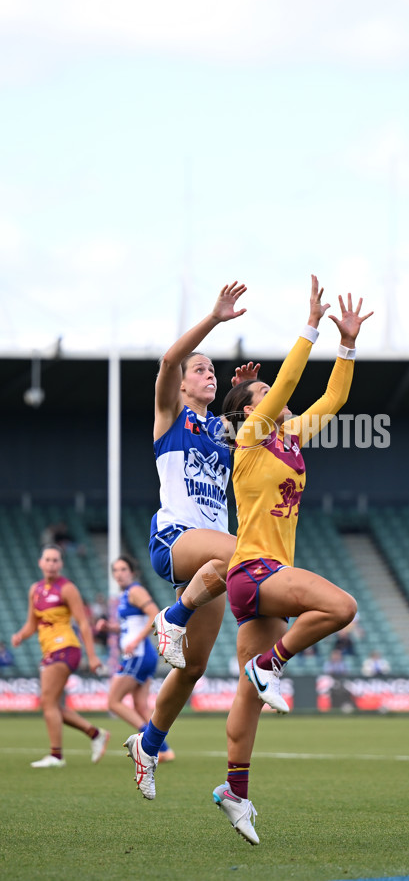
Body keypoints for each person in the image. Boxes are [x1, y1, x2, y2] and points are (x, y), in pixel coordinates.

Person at [211, 276, 372, 845]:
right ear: (249, 411)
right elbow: (285, 385)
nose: (274, 398)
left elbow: (334, 400)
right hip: (256, 571)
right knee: (342, 607)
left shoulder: (288, 437)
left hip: (260, 582)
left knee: (246, 702)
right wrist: (310, 326)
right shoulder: (251, 437)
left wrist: (346, 344)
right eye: (261, 395)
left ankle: (235, 792)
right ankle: (270, 665)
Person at [124, 281, 254, 799]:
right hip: (176, 540)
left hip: (212, 556)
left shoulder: (220, 430)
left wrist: (241, 395)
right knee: (247, 553)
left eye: (212, 370)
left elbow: (250, 425)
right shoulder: (169, 415)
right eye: (200, 369)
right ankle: (172, 617)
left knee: (192, 666)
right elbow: (168, 360)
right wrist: (215, 319)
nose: (208, 374)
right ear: (181, 385)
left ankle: (148, 744)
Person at [10, 544, 109, 768]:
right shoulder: (35, 590)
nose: (51, 564)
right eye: (47, 559)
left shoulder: (67, 588)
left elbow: (83, 623)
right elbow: (31, 623)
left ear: (61, 564)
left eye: (55, 560)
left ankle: (56, 756)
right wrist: (20, 636)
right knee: (51, 704)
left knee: (48, 702)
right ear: (40, 563)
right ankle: (95, 734)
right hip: (49, 650)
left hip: (66, 648)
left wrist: (92, 656)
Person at [96, 556, 174, 763]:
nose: (119, 574)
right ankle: (164, 751)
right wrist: (110, 628)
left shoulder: (135, 591)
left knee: (113, 702)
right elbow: (130, 626)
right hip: (141, 655)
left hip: (138, 655)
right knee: (140, 706)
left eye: (123, 569)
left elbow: (154, 614)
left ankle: (149, 744)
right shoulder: (125, 595)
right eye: (116, 570)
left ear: (132, 572)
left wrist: (135, 641)